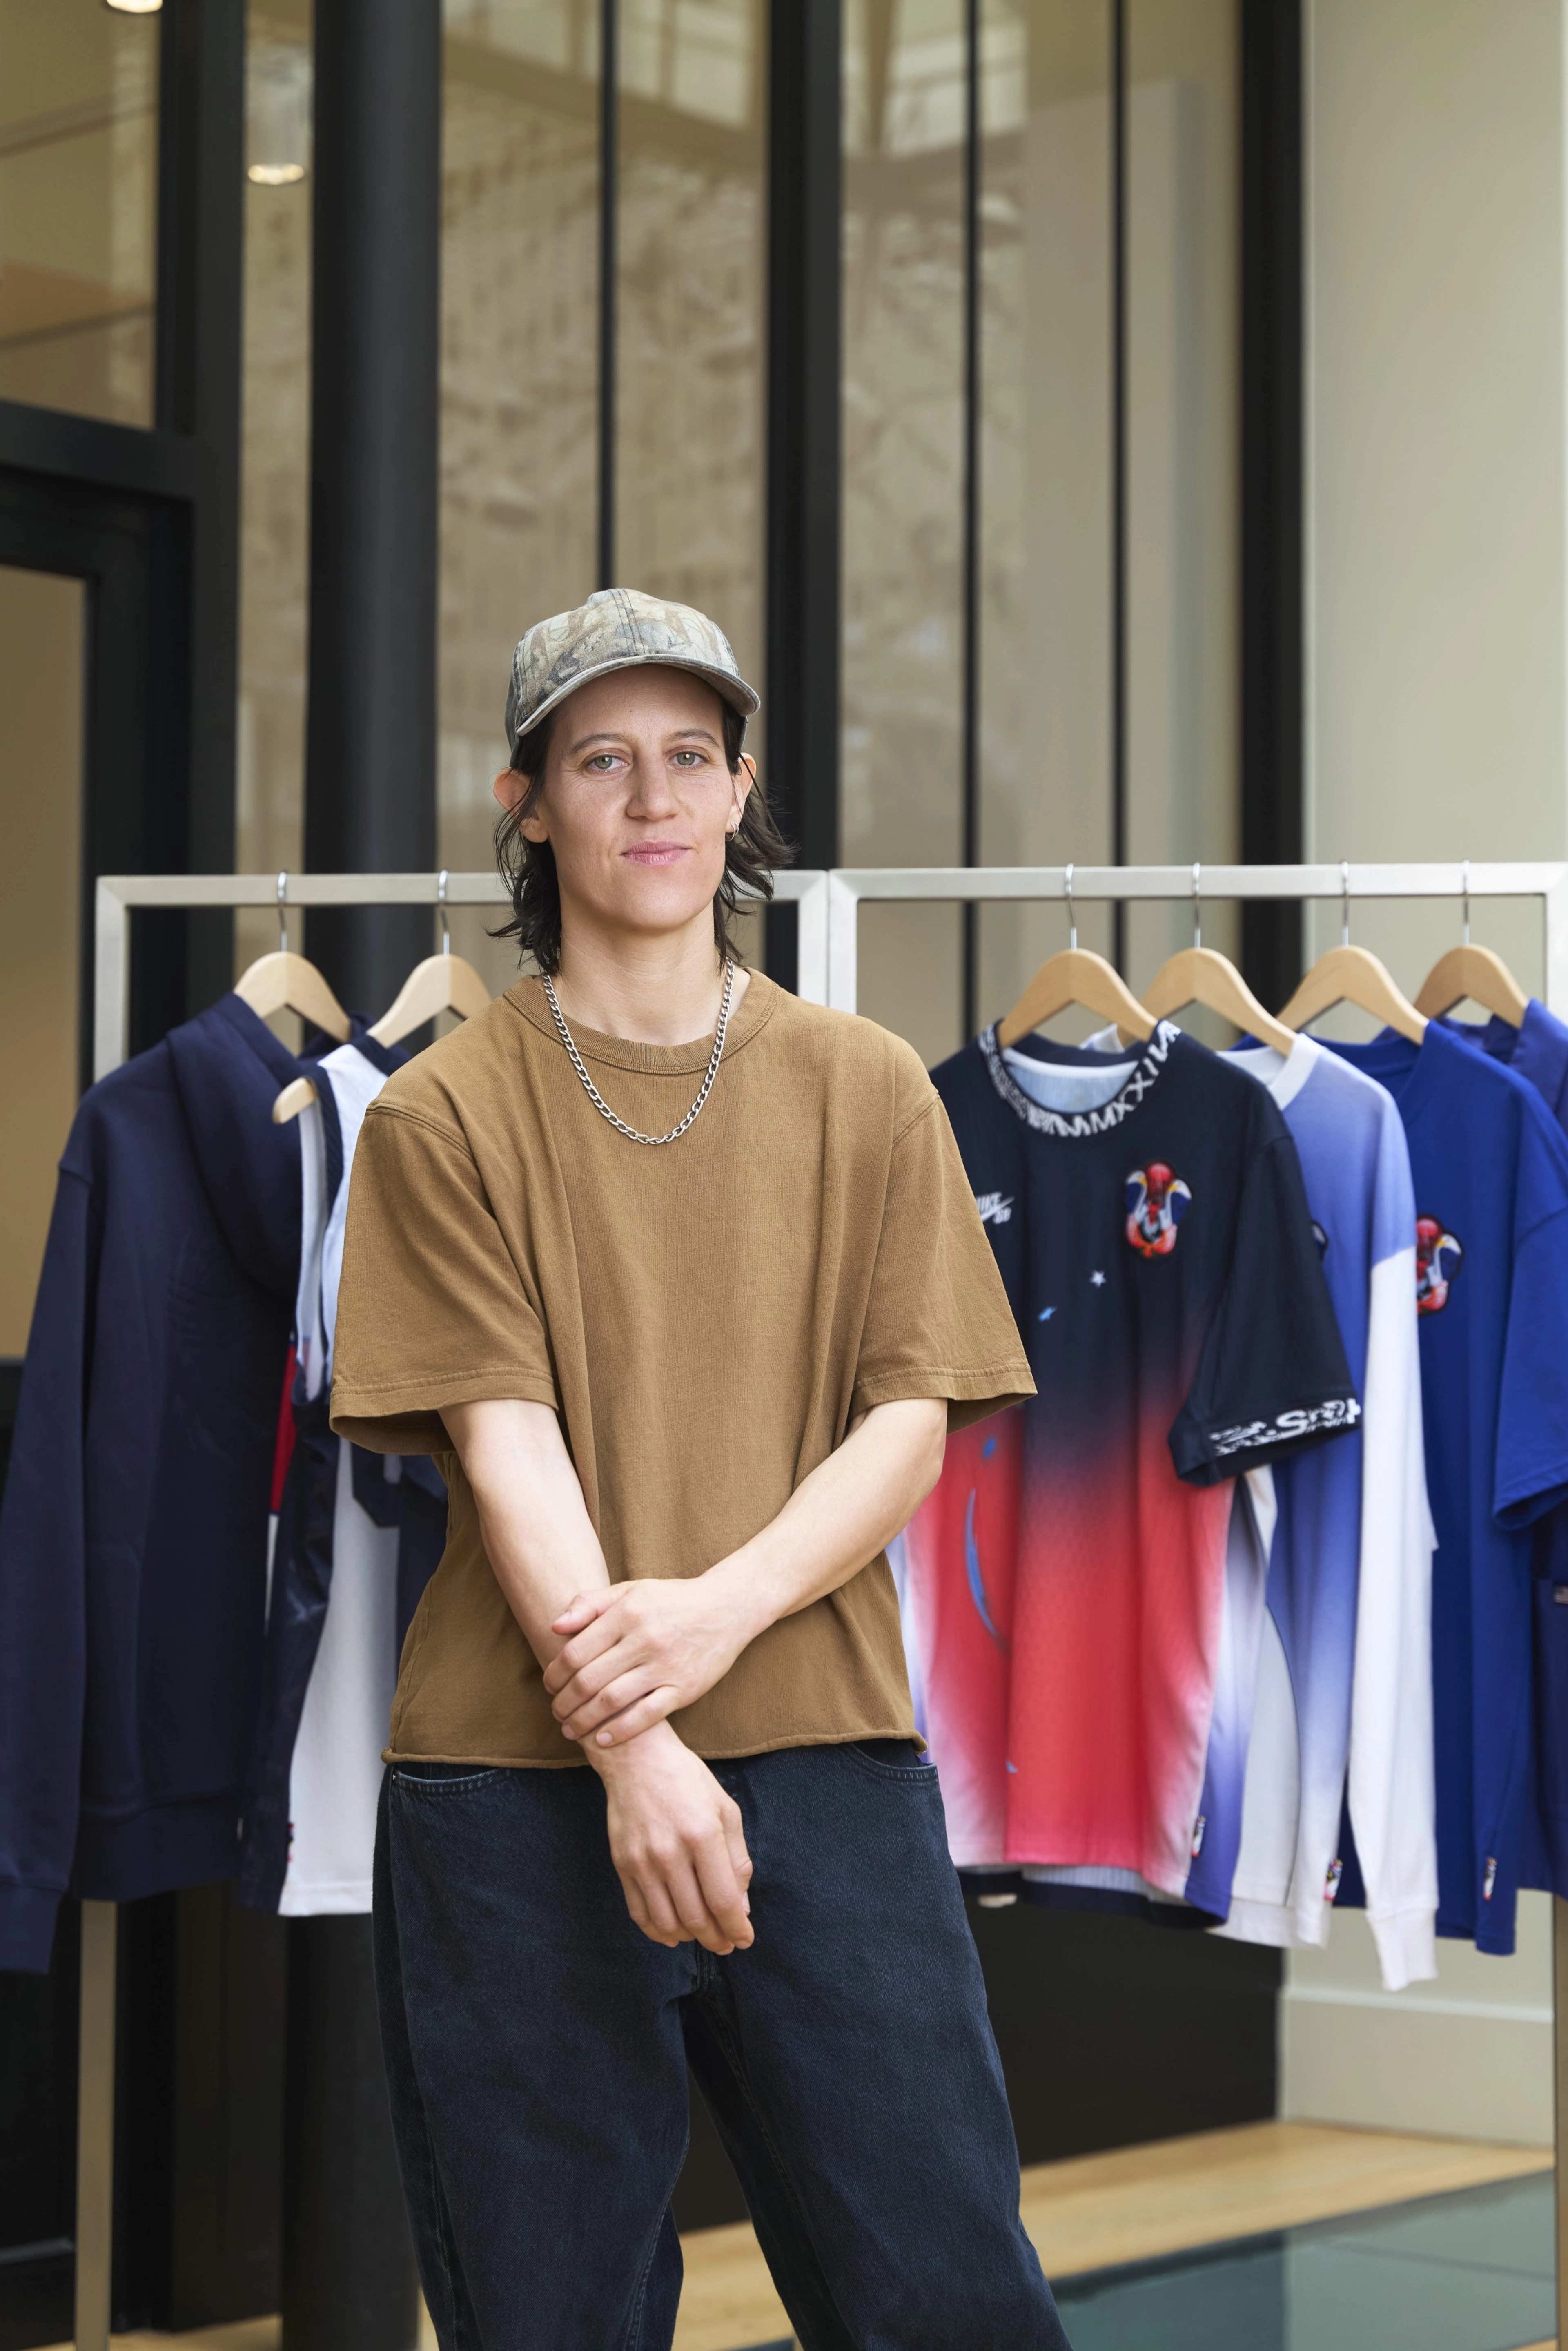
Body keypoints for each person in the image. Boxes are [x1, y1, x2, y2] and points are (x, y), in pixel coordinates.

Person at [331, 586, 1072, 2350]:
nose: (652, 797)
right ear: (529, 801)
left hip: (825, 1748)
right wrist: (637, 1739)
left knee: (949, 2291)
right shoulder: (442, 1114)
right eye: (602, 759)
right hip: (513, 1785)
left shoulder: (869, 1085)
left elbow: (912, 1415)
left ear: (742, 790)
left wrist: (715, 1618)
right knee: (553, 2309)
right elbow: (504, 1445)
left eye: (688, 755)